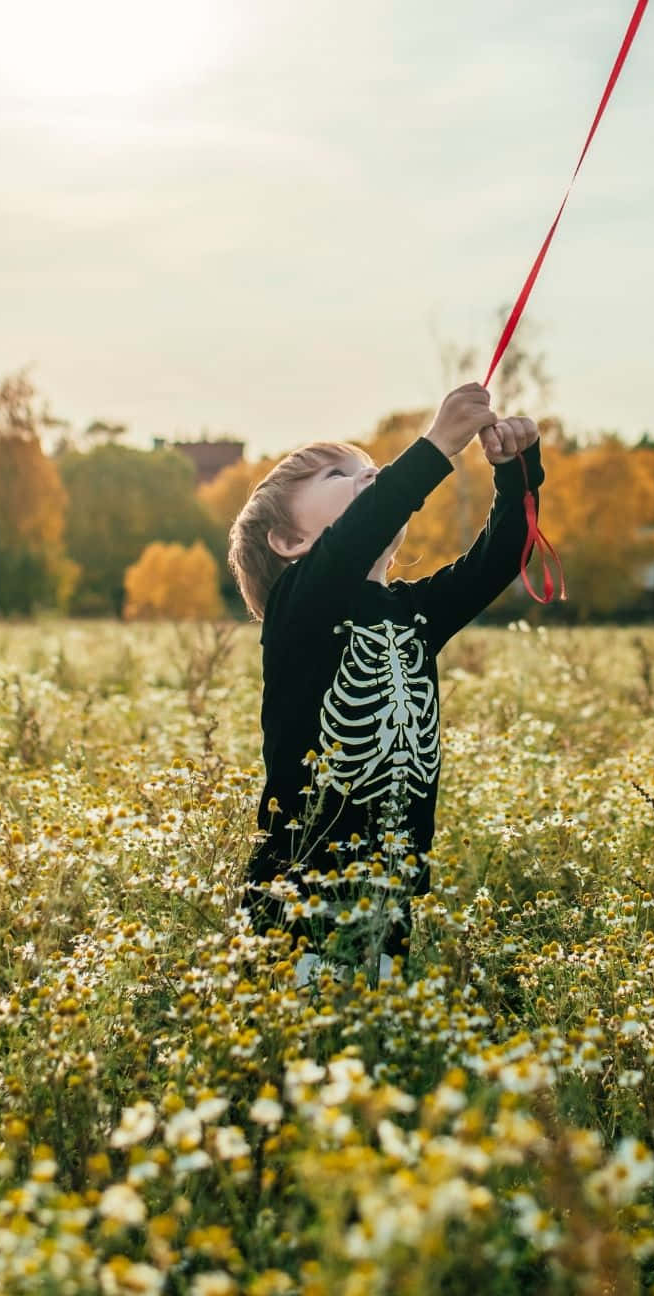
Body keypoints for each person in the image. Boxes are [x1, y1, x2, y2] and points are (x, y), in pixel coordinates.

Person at [227, 382, 543, 982]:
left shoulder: (413, 614)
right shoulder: (299, 609)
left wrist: (517, 471)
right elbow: (351, 542)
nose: (371, 478)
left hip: (389, 901)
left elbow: (500, 559)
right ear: (291, 542)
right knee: (300, 1065)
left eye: (373, 469)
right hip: (295, 906)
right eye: (340, 477)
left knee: (372, 1059)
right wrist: (435, 447)